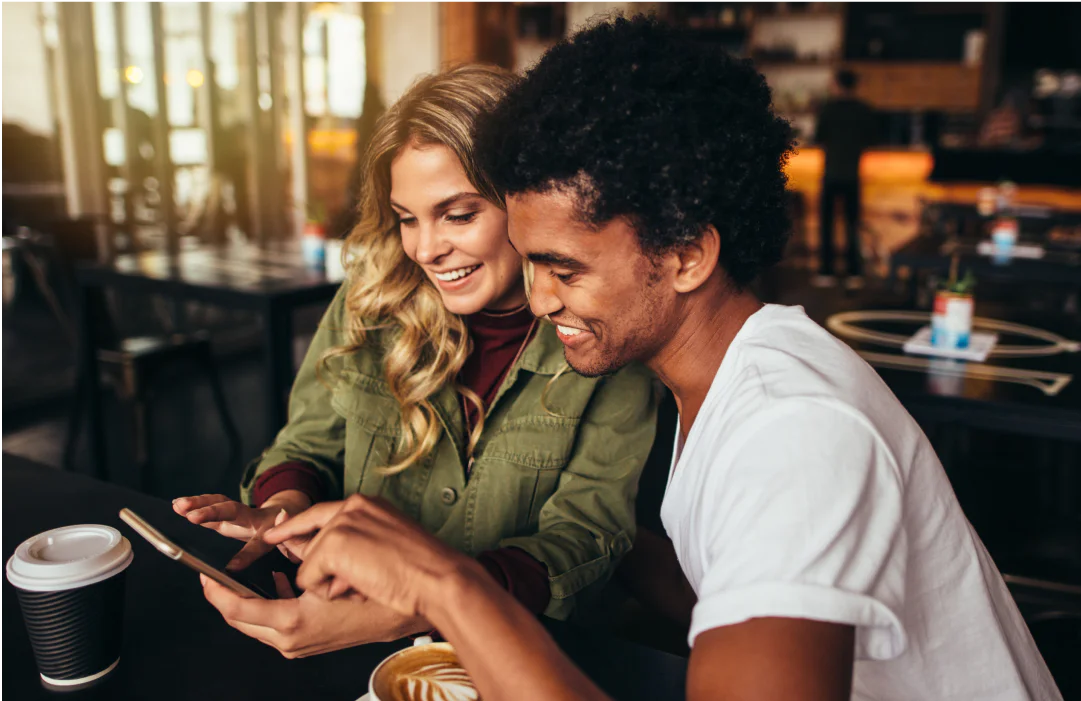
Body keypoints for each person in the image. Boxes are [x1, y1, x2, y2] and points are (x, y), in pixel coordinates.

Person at [253, 17, 1060, 700]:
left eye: (564, 268)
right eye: (530, 263)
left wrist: (440, 580)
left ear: (684, 256)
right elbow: (708, 579)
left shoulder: (796, 433)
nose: (536, 300)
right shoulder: (720, 380)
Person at [176, 64, 658, 657]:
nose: (427, 248)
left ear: (529, 199)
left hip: (528, 662)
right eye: (408, 218)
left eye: (458, 214)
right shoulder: (370, 297)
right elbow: (306, 444)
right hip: (351, 644)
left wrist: (410, 606)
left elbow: (583, 538)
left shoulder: (603, 335)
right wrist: (284, 512)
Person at [814, 68, 878, 290]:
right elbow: (872, 140)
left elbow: (819, 138)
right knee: (852, 225)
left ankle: (826, 271)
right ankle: (854, 272)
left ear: (838, 85)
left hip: (831, 174)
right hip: (852, 175)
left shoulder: (828, 110)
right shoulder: (864, 111)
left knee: (827, 225)